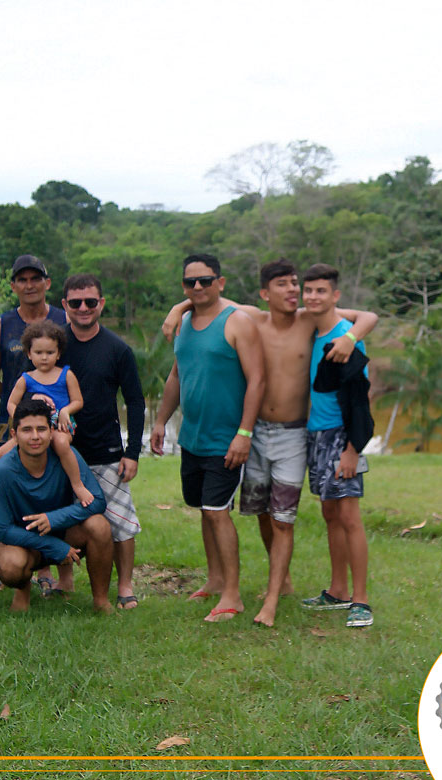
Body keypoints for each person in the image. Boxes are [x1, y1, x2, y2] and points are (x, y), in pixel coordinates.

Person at [161, 259, 377, 627]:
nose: (294, 290)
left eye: (296, 284)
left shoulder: (309, 320)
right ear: (265, 293)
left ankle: (291, 598)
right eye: (284, 284)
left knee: (286, 517)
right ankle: (286, 580)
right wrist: (177, 309)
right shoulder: (253, 319)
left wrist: (351, 337)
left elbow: (368, 316)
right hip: (259, 431)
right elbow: (209, 298)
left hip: (295, 432)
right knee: (262, 510)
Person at [149, 254, 265, 623]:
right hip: (192, 437)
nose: (198, 287)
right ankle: (214, 580)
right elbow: (176, 376)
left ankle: (233, 595)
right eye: (190, 282)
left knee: (217, 512)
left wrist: (244, 433)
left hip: (225, 438)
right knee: (204, 507)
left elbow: (257, 380)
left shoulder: (237, 322)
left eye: (206, 280)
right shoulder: (183, 323)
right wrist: (160, 421)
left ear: (221, 282)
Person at [0, 254, 69, 592]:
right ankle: (15, 562)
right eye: (22, 280)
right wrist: (20, 408)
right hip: (13, 424)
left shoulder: (64, 321)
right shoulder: (0, 327)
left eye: (36, 279)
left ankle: (49, 567)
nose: (30, 285)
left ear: (47, 283)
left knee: (52, 489)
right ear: (13, 285)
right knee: (13, 489)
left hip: (54, 425)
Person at [60, 273, 146, 611]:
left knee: (121, 522)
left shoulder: (118, 349)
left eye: (90, 301)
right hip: (61, 450)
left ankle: (125, 585)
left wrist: (132, 452)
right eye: (76, 302)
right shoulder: (54, 343)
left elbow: (135, 401)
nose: (83, 307)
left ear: (102, 304)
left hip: (106, 450)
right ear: (64, 304)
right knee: (62, 516)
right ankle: (64, 578)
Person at [300, 263, 375, 628]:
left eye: (321, 291)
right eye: (308, 290)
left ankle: (361, 601)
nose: (313, 297)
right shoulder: (314, 330)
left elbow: (360, 399)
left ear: (335, 295)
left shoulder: (345, 337)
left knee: (349, 517)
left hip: (341, 436)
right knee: (330, 514)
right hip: (315, 435)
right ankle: (337, 590)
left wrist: (352, 450)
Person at [0, 399, 113, 613]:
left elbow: (98, 501)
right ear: (14, 434)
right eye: (27, 430)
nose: (35, 436)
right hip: (23, 543)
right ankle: (22, 590)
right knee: (10, 564)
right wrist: (54, 547)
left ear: (51, 431)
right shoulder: (0, 472)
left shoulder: (67, 457)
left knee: (99, 526)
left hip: (64, 533)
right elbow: (4, 530)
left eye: (42, 429)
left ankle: (101, 602)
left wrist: (53, 519)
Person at [0, 320, 94, 506]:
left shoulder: (66, 374)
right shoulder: (26, 379)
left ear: (58, 353)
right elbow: (11, 404)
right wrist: (21, 421)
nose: (44, 358)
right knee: (1, 453)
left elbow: (78, 401)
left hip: (60, 425)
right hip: (33, 426)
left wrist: (66, 410)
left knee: (60, 443)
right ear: (29, 354)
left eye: (50, 352)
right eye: (39, 353)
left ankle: (77, 485)